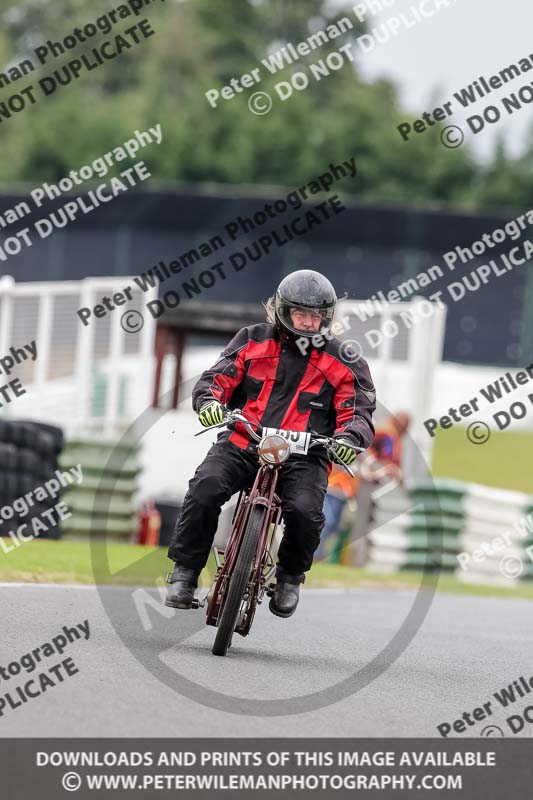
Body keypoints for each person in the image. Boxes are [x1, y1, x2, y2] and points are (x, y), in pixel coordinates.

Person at [165, 269, 376, 617]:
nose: (308, 323)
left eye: (316, 316)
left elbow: (359, 410)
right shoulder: (252, 339)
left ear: (327, 319)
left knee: (307, 512)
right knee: (205, 486)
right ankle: (184, 573)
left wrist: (348, 439)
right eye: (300, 314)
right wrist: (209, 404)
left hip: (307, 456)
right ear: (281, 310)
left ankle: (290, 577)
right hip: (243, 441)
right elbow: (217, 377)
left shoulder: (346, 360)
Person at [316, 411, 411, 559]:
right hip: (352, 483)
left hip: (347, 483)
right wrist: (394, 474)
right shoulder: (387, 434)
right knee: (340, 522)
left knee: (336, 522)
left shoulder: (381, 430)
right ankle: (344, 556)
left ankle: (329, 555)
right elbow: (386, 460)